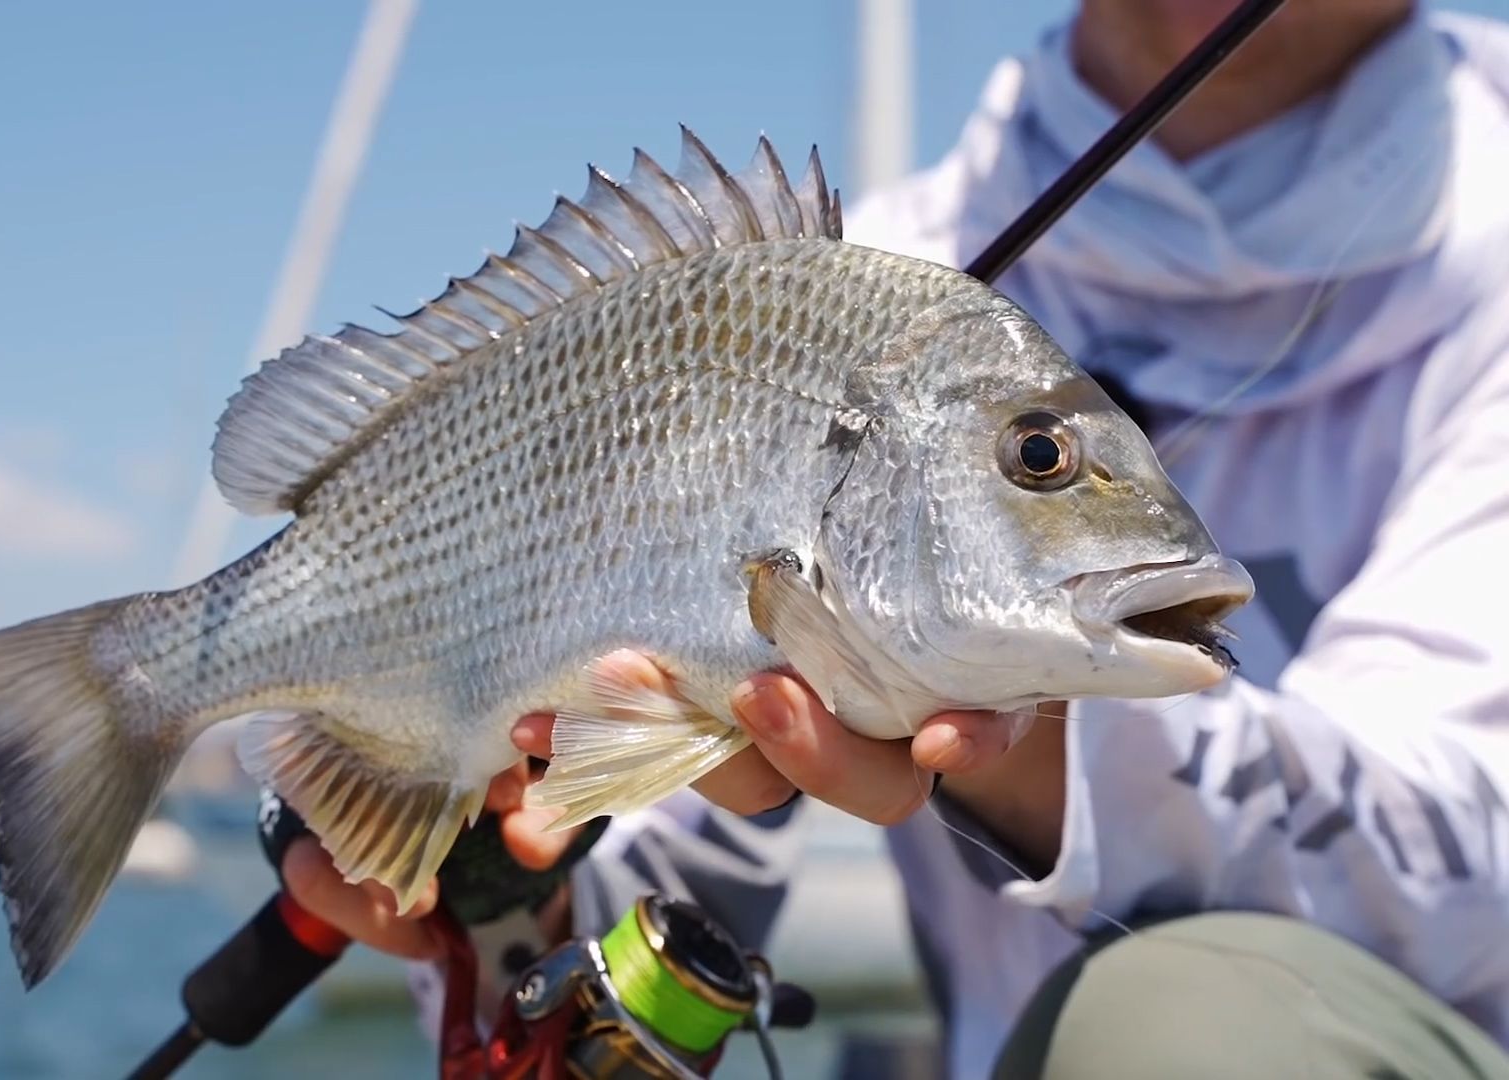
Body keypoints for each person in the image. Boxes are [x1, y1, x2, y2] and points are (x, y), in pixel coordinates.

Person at [277, 1, 1509, 1075]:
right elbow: (665, 871)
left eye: (1042, 457)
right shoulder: (858, 269)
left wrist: (1028, 750)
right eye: (1040, 461)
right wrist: (501, 884)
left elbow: (1479, 858)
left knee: (1174, 1028)